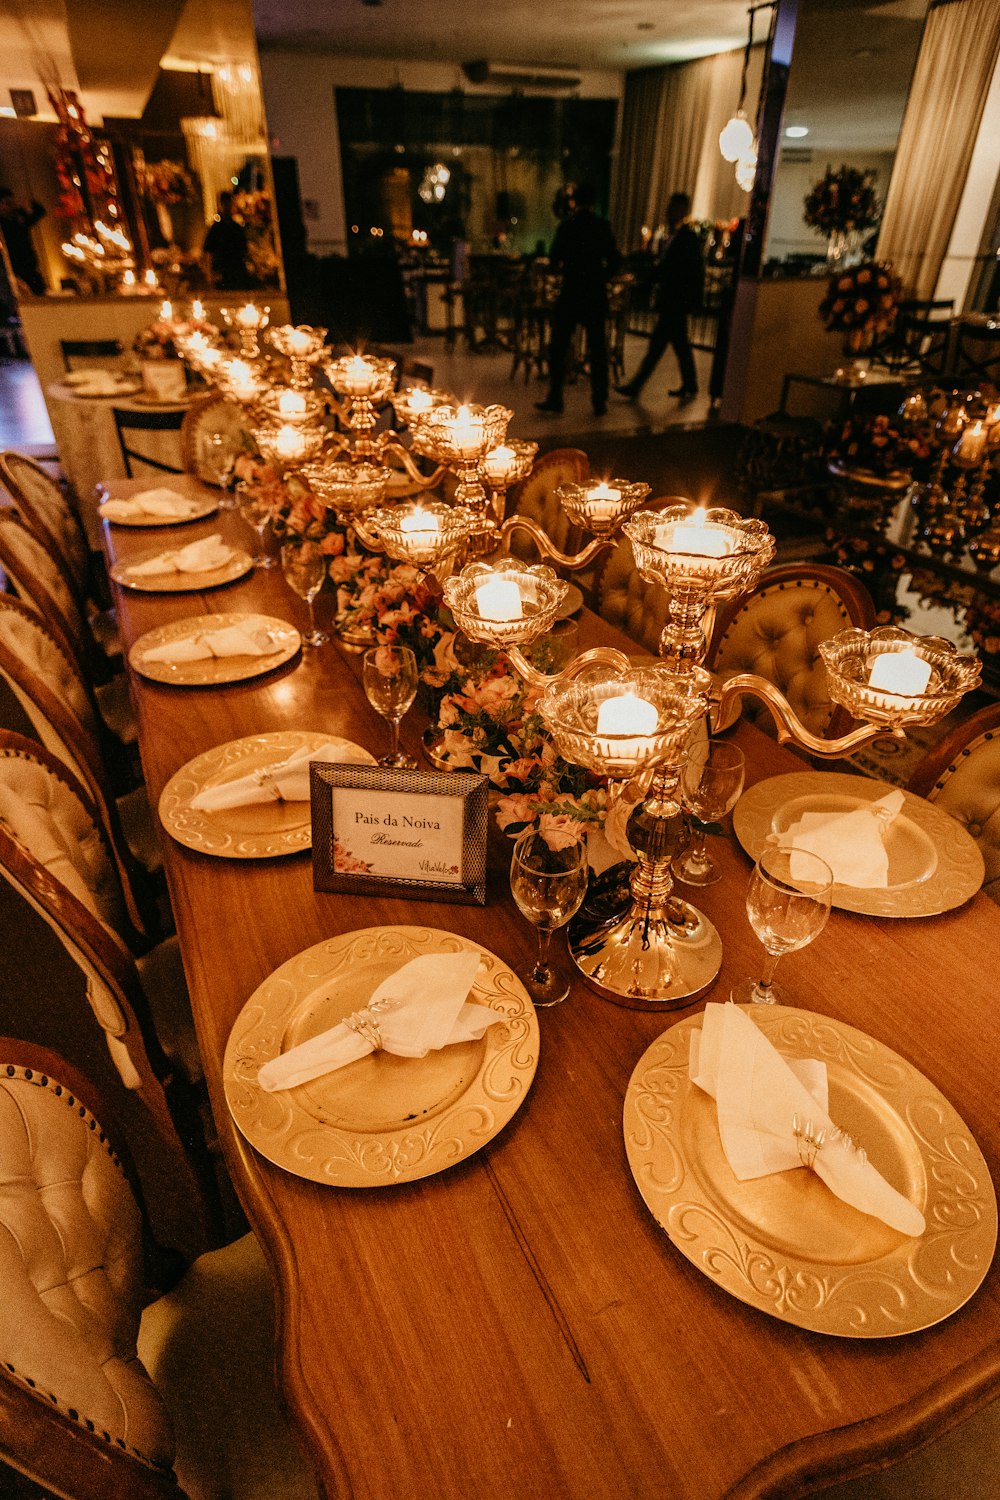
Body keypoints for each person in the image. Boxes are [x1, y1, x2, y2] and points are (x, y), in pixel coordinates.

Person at [536, 182, 621, 418]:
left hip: (571, 294)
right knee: (598, 350)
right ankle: (599, 399)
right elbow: (615, 260)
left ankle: (556, 397)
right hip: (594, 295)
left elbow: (554, 260)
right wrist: (601, 277)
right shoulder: (602, 227)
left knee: (559, 347)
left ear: (575, 201)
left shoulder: (568, 226)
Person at [617, 191, 703, 404]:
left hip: (675, 300)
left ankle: (636, 386)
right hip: (674, 300)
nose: (668, 212)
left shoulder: (686, 238)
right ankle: (690, 384)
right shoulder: (675, 236)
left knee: (658, 346)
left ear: (682, 210)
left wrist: (648, 282)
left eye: (672, 207)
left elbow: (690, 271)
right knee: (679, 345)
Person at [0, 188, 46, 295]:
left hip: (28, 264)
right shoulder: (3, 224)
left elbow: (39, 211)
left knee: (39, 292)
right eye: (4, 203)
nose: (6, 207)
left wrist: (21, 204)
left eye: (8, 203)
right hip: (14, 266)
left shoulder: (19, 218)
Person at [202, 191, 251, 290]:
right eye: (224, 204)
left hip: (235, 271)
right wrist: (209, 272)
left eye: (228, 203)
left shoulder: (236, 228)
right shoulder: (215, 229)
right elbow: (208, 251)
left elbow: (244, 251)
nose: (226, 207)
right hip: (221, 271)